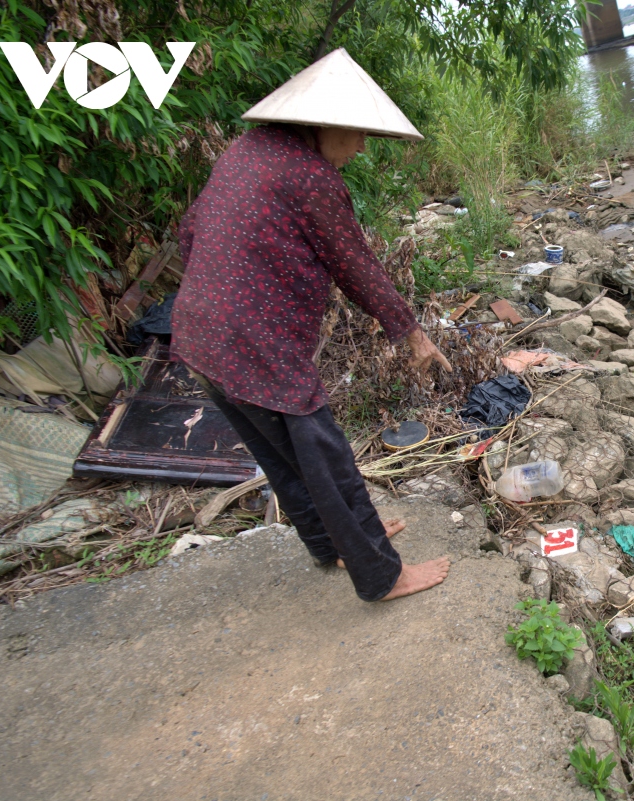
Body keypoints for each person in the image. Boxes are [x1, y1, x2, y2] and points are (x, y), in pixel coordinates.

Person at [171, 49, 452, 602]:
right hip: (256, 344)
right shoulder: (309, 176)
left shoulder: (245, 152)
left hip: (199, 335)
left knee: (282, 460)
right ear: (324, 124)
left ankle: (331, 543)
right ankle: (381, 574)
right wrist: (412, 334)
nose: (364, 146)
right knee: (325, 457)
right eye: (359, 133)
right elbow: (357, 268)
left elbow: (189, 233)